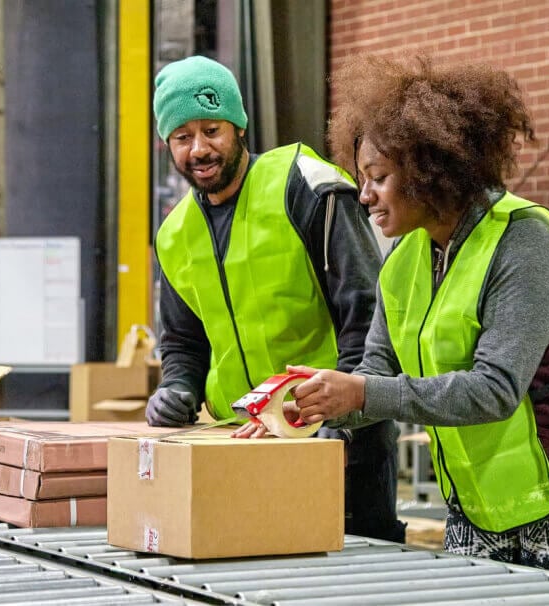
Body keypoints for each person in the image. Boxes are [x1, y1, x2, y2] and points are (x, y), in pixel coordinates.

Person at [289, 54, 549, 582]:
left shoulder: (524, 243)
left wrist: (362, 395)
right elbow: (375, 372)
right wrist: (310, 411)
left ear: (429, 171)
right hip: (479, 498)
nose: (363, 195)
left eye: (378, 178)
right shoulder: (403, 262)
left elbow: (495, 389)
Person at [145, 55, 406, 543]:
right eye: (183, 137)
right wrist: (177, 388)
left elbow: (369, 314)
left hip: (335, 441)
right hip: (239, 442)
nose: (199, 149)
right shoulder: (174, 234)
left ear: (239, 126)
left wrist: (345, 419)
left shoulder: (303, 183)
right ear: (168, 146)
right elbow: (182, 342)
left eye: (212, 130)